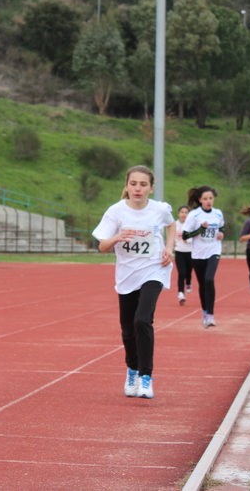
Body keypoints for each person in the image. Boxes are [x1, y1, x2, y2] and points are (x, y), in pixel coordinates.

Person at [92, 165, 175, 400]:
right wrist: (117, 237)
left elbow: (171, 224)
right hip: (127, 275)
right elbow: (102, 246)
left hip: (154, 270)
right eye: (133, 184)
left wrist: (169, 248)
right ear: (127, 185)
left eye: (143, 184)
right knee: (128, 329)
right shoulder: (116, 212)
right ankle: (132, 369)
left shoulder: (159, 209)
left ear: (151, 187)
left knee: (142, 320)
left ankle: (146, 377)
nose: (137, 188)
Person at [182, 186, 224, 329]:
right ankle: (205, 312)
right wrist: (201, 229)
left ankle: (211, 315)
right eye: (205, 199)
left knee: (209, 279)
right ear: (200, 200)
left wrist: (221, 234)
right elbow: (185, 235)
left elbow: (222, 227)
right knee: (202, 284)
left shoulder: (218, 214)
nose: (208, 201)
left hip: (214, 250)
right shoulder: (194, 215)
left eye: (210, 198)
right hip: (198, 253)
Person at [173, 205, 193, 305]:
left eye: (186, 212)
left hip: (190, 252)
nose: (184, 214)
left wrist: (189, 240)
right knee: (182, 273)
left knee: (188, 272)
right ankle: (180, 293)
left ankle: (188, 282)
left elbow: (195, 237)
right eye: (182, 212)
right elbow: (171, 236)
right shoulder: (175, 225)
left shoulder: (192, 225)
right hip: (179, 251)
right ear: (178, 213)